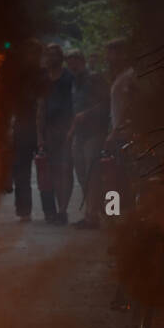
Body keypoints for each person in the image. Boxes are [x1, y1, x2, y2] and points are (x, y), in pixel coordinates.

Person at [65, 49, 109, 229]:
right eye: (69, 62)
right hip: (79, 134)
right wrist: (72, 129)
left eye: (74, 61)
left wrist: (87, 114)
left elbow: (106, 103)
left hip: (94, 133)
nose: (72, 65)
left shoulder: (94, 78)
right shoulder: (75, 81)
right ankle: (92, 213)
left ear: (82, 61)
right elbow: (75, 109)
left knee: (93, 175)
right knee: (82, 175)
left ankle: (92, 216)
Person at [35, 43, 74, 224]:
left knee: (65, 170)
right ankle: (59, 210)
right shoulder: (44, 79)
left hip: (67, 129)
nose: (50, 58)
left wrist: (73, 129)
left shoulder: (68, 77)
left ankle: (63, 210)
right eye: (47, 54)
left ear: (60, 57)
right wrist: (40, 136)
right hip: (50, 130)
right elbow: (41, 108)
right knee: (53, 172)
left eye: (53, 54)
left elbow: (77, 102)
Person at [8, 39, 44, 220]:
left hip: (41, 127)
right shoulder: (19, 76)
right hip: (23, 127)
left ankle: (51, 211)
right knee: (21, 172)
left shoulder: (45, 75)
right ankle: (24, 211)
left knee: (48, 169)